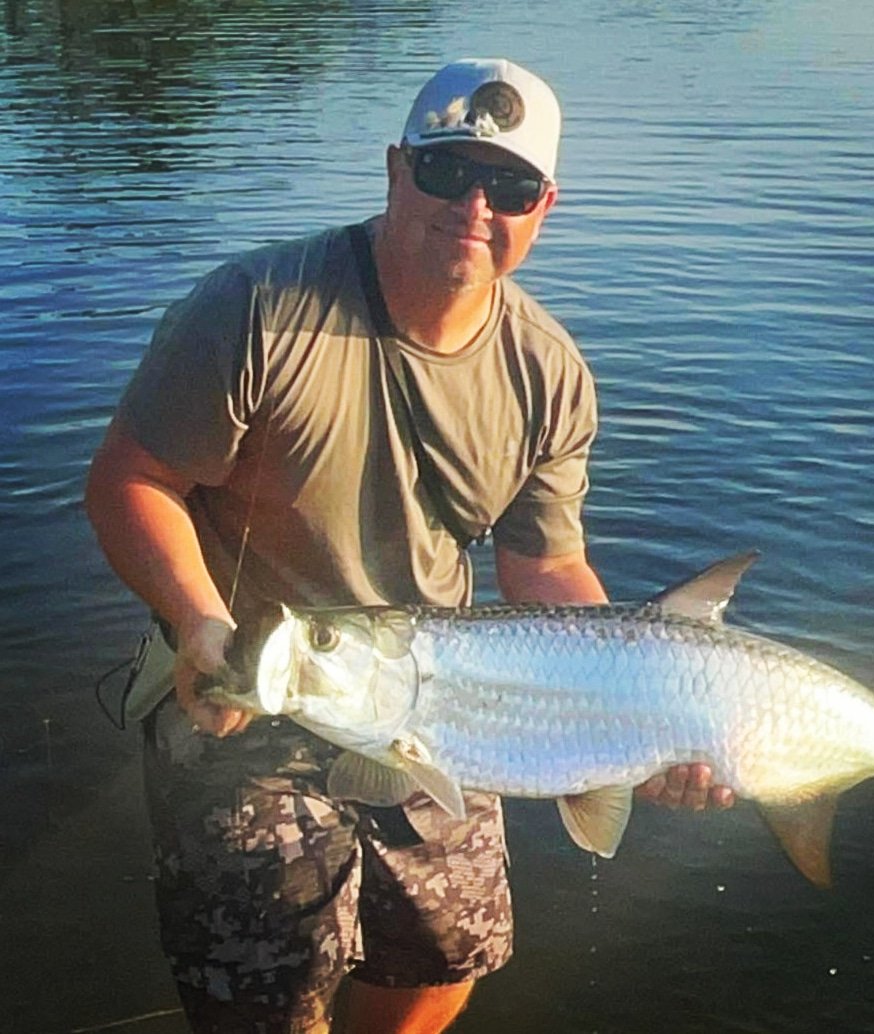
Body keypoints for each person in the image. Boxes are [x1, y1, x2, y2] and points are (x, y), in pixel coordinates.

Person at [85, 58, 733, 1034]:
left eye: (508, 185)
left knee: (447, 954)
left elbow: (544, 567)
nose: (475, 204)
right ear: (395, 169)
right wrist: (197, 621)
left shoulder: (548, 371)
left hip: (439, 698)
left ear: (543, 206)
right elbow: (129, 480)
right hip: (240, 679)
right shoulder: (257, 307)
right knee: (265, 998)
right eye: (446, 172)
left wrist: (647, 716)